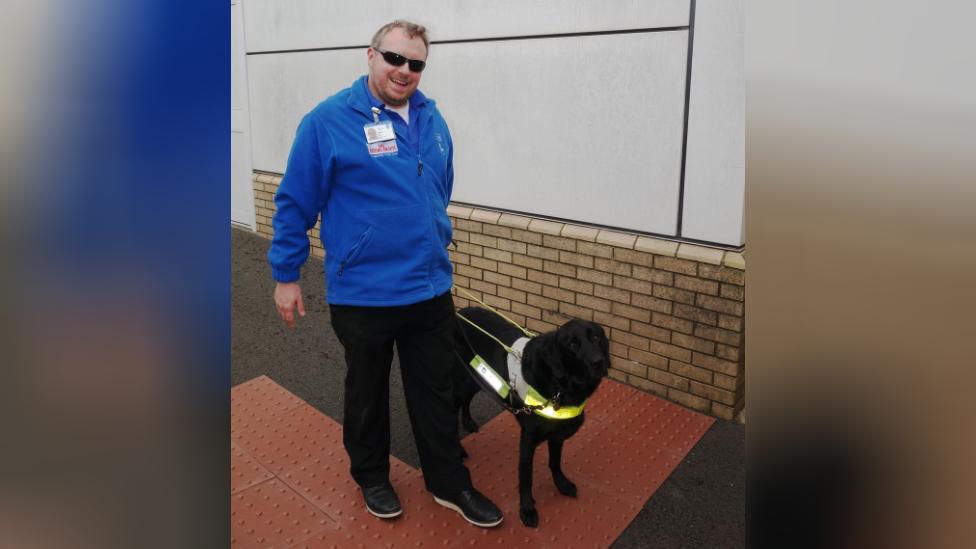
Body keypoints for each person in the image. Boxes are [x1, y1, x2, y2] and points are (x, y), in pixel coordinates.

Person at [267, 20, 503, 528]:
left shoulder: (432, 118)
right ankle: (372, 475)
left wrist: (435, 234)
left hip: (428, 288)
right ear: (370, 55)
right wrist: (286, 275)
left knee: (436, 390)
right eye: (394, 58)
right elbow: (293, 203)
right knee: (367, 392)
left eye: (416, 64)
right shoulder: (327, 121)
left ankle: (447, 482)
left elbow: (440, 186)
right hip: (364, 294)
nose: (404, 71)